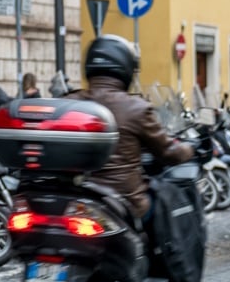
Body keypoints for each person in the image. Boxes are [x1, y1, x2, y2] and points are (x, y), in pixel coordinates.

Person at [65, 34, 195, 221]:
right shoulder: (136, 107)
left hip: (74, 201)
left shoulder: (68, 102)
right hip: (124, 203)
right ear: (126, 69)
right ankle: (163, 250)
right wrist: (190, 149)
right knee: (168, 204)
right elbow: (168, 152)